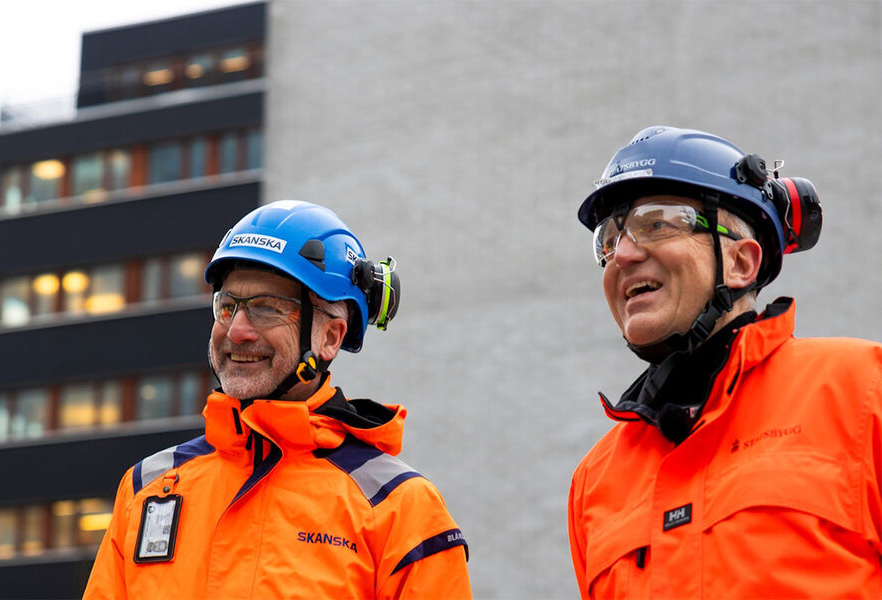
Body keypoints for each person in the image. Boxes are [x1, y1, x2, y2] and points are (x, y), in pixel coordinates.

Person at [84, 200, 472, 599]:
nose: (237, 331)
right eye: (228, 306)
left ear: (330, 337)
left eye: (268, 309)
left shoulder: (399, 507)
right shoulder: (147, 489)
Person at [568, 126, 882, 598]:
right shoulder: (596, 479)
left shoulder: (862, 390)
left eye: (657, 223)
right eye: (608, 240)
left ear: (741, 262)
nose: (624, 255)